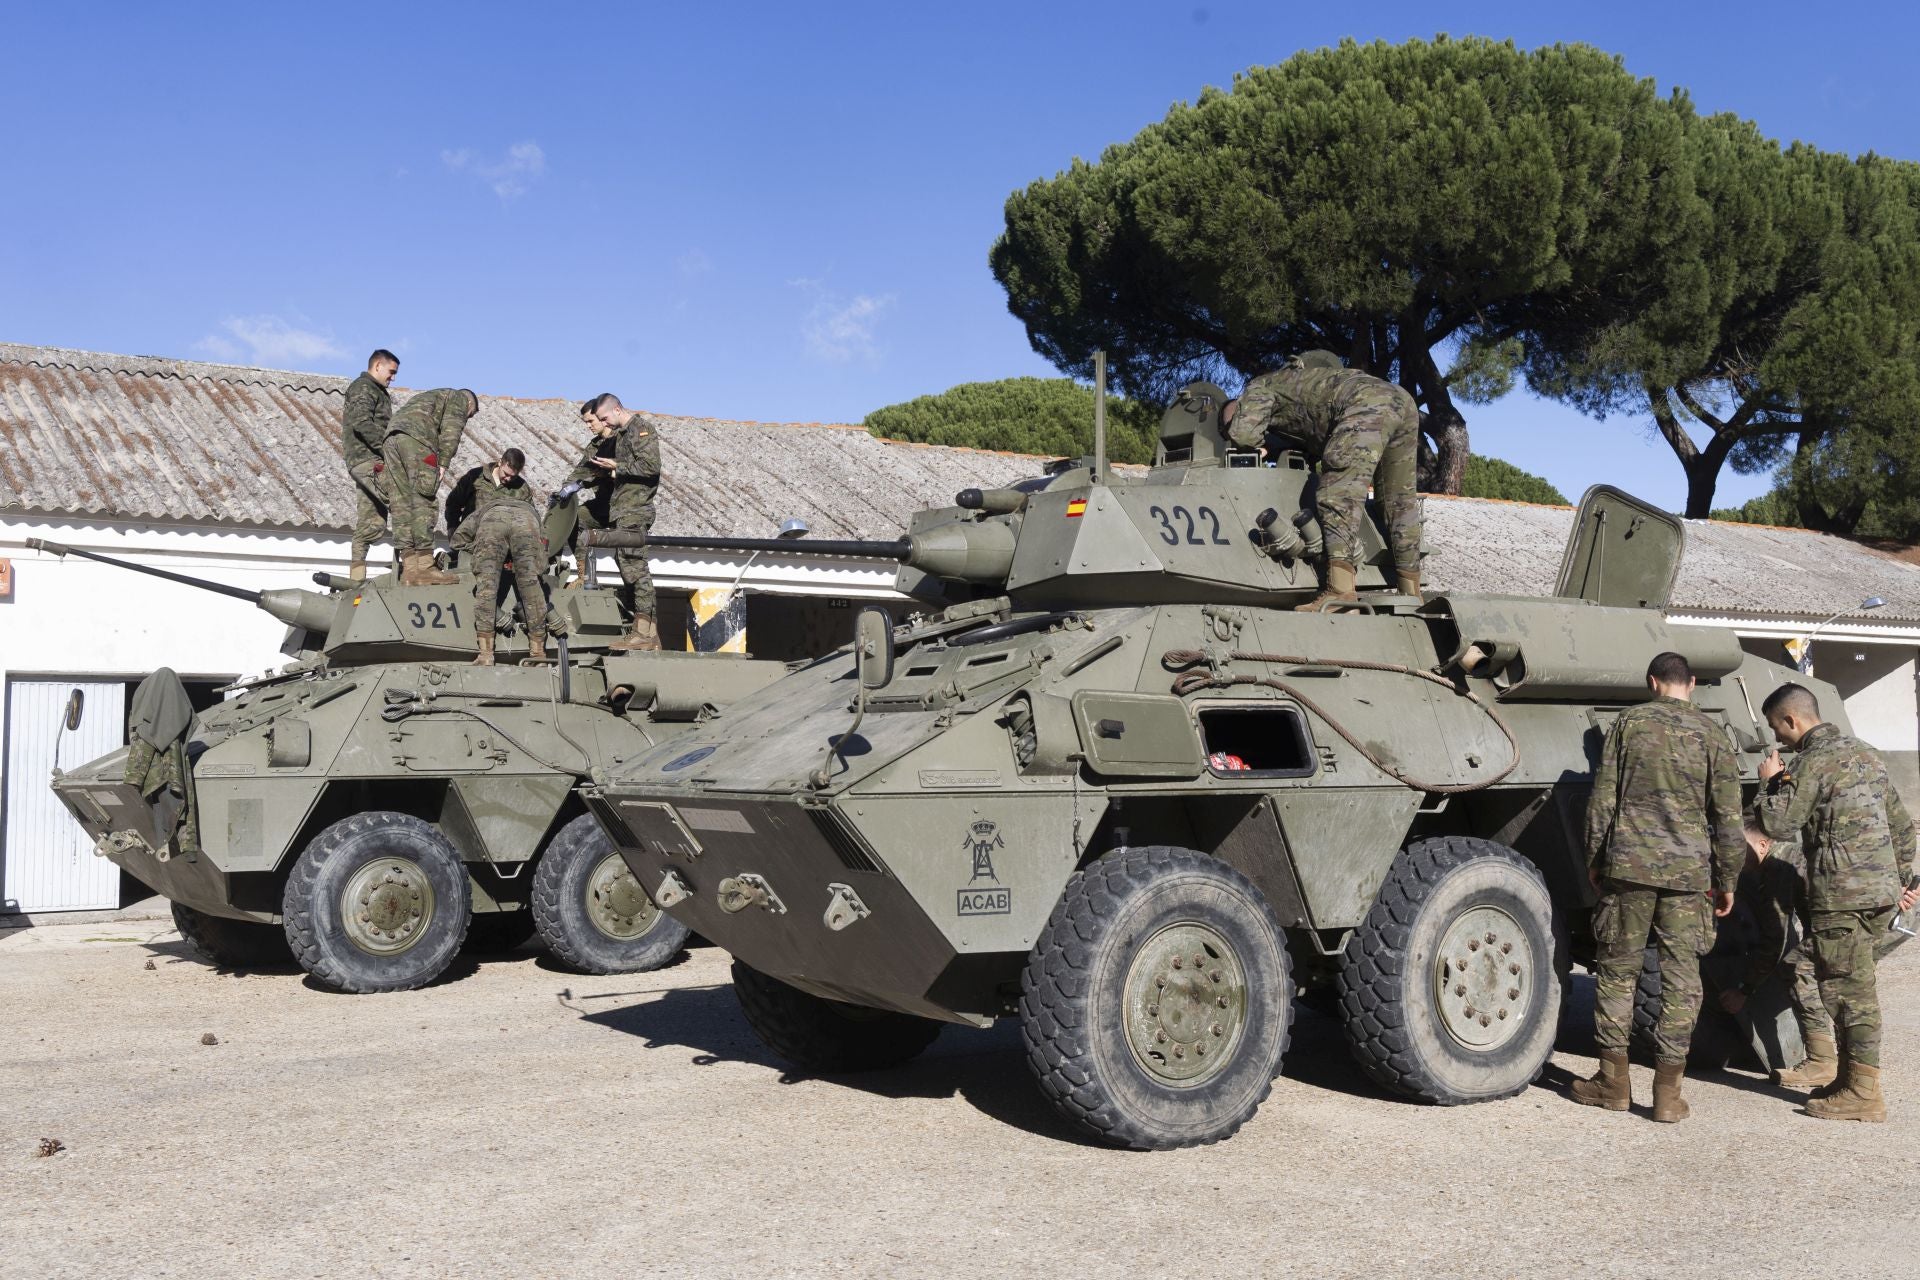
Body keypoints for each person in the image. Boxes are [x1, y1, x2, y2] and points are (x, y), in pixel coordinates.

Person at [1571, 651, 1742, 1122]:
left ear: (1653, 682)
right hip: (1689, 877)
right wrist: (1726, 880)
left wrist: (1595, 859)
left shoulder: (1629, 724)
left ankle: (1612, 1082)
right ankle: (1668, 1094)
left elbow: (1603, 797)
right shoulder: (1713, 734)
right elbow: (1728, 817)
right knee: (1682, 981)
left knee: (1617, 974)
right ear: (1691, 684)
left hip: (1629, 868)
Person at [1755, 682, 1920, 1121]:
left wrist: (1769, 784)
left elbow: (1779, 823)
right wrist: (1901, 882)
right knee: (1853, 986)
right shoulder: (1866, 752)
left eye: (1778, 730)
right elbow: (1901, 827)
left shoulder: (1812, 761)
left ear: (1792, 720)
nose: (1779, 740)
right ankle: (1849, 1080)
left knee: (1850, 994)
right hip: (1879, 894)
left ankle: (1864, 1094)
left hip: (1841, 896)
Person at [1221, 351, 1422, 610]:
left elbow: (1244, 434)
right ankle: (1411, 592)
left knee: (1336, 494)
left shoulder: (1260, 386)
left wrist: (1255, 446)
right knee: (1399, 501)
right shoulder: (1297, 385)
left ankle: (1340, 592)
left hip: (1364, 403)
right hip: (1400, 399)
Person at [1725, 819, 1838, 1088]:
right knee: (1844, 981)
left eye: (1741, 849)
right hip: (1879, 914)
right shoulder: (1793, 854)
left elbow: (1774, 940)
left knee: (1797, 968)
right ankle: (1851, 1062)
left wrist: (1744, 990)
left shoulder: (1776, 866)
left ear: (1763, 845)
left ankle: (1822, 1062)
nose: (1736, 858)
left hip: (1847, 923)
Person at [459, 448, 563, 666]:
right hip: (524, 525)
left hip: (492, 526)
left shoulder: (520, 490)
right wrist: (538, 563)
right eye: (506, 474)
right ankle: (538, 653)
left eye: (513, 476)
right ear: (500, 462)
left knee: (487, 587)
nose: (508, 479)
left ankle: (486, 654)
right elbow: (540, 536)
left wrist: (479, 549)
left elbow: (458, 539)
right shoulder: (475, 478)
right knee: (533, 589)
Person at [383, 387, 479, 586]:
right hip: (418, 439)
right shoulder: (459, 398)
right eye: (470, 415)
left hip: (391, 438)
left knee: (401, 503)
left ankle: (410, 570)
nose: (467, 418)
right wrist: (443, 463)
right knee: (423, 501)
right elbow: (452, 431)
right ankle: (426, 567)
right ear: (470, 405)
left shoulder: (431, 396)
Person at [590, 393, 663, 651]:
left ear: (617, 409)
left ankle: (644, 632)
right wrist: (610, 470)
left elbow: (651, 466)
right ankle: (647, 634)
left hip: (635, 510)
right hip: (623, 510)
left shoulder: (641, 429)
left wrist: (617, 466)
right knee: (627, 565)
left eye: (604, 418)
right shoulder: (622, 435)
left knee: (635, 567)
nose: (604, 424)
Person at [341, 349, 399, 580]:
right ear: (377, 366)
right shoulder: (365, 388)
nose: (393, 377)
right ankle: (416, 565)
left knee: (372, 523)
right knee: (403, 502)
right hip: (369, 460)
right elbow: (362, 423)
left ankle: (356, 575)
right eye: (391, 371)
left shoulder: (376, 391)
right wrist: (388, 451)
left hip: (366, 460)